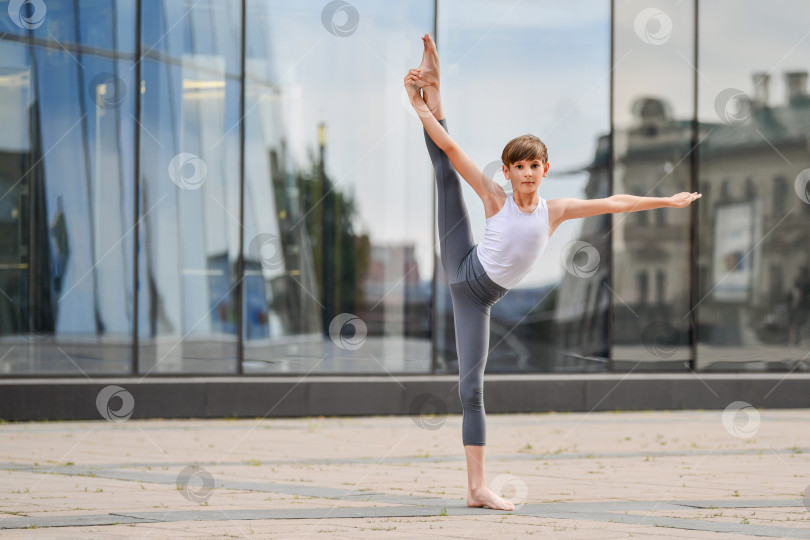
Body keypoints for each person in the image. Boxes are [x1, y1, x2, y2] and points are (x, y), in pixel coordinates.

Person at [404, 33, 701, 511]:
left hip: (478, 298)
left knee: (472, 387)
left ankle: (476, 489)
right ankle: (436, 85)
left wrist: (666, 199)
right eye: (518, 165)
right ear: (506, 171)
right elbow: (451, 147)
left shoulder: (555, 211)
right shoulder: (494, 198)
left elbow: (614, 202)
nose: (526, 172)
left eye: (533, 165)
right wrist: (418, 104)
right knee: (444, 172)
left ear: (545, 169)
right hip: (463, 263)